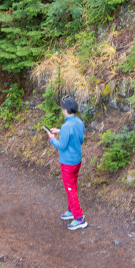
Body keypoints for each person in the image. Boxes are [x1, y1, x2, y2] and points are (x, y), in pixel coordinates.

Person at [46, 97, 87, 230]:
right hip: (77, 160)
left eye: (62, 108)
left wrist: (52, 139)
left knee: (70, 189)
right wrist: (60, 131)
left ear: (66, 110)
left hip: (67, 162)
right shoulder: (79, 122)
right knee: (72, 186)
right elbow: (79, 138)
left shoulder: (66, 126)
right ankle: (71, 211)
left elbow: (61, 145)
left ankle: (79, 218)